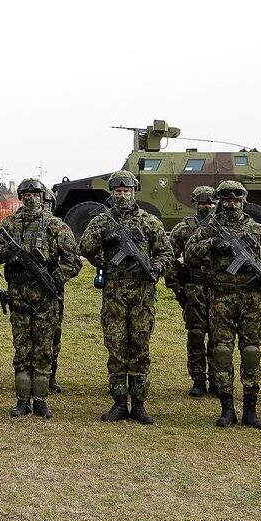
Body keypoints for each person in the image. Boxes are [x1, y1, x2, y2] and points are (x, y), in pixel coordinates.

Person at [78, 172, 172, 424]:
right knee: (116, 347)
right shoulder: (102, 221)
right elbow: (85, 248)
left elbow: (165, 252)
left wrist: (156, 268)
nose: (122, 195)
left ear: (133, 192)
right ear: (112, 193)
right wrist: (103, 240)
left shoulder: (149, 221)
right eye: (117, 192)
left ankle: (139, 404)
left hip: (142, 293)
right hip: (114, 292)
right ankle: (119, 403)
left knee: (140, 348)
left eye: (126, 191)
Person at [0, 177, 82, 419]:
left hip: (46, 298)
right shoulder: (10, 223)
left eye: (35, 194)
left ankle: (40, 400)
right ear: (21, 197)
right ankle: (22, 401)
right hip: (19, 296)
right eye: (26, 194)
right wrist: (9, 254)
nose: (31, 198)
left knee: (43, 349)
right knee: (22, 349)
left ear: (42, 197)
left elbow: (73, 261)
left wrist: (55, 278)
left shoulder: (55, 225)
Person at [185, 180, 261, 428]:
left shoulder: (257, 230)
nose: (231, 204)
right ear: (220, 201)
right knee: (222, 352)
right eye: (226, 200)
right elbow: (189, 254)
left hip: (250, 298)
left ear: (243, 201)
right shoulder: (209, 228)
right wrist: (213, 245)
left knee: (251, 352)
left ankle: (250, 410)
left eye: (236, 199)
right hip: (221, 297)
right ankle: (226, 409)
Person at [169, 186, 217, 396]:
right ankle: (198, 378)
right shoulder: (183, 228)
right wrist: (176, 286)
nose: (207, 206)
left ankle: (217, 378)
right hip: (193, 287)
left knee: (218, 335)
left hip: (219, 289)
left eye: (211, 203)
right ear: (195, 203)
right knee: (196, 334)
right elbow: (169, 258)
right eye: (203, 203)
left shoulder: (223, 228)